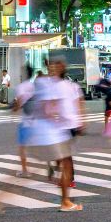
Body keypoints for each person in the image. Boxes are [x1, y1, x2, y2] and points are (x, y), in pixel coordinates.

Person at [19, 56, 83, 212]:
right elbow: (49, 109)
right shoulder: (56, 85)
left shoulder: (47, 83)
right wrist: (62, 117)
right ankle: (65, 202)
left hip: (54, 131)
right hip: (54, 132)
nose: (54, 68)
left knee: (65, 164)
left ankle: (66, 200)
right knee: (64, 165)